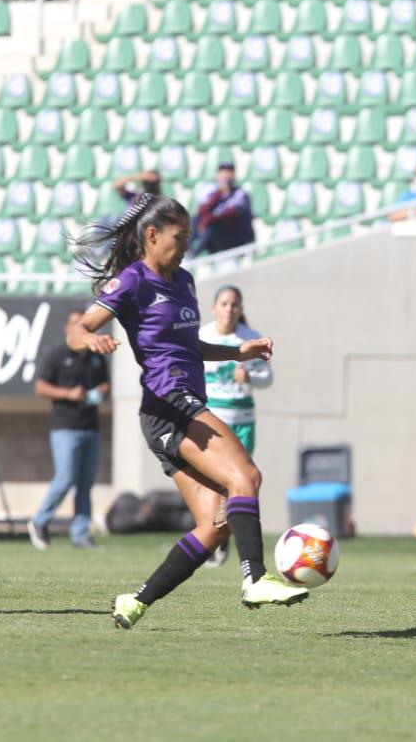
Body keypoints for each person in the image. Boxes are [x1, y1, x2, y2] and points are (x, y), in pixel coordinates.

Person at [69, 193, 309, 629]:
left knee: (215, 525)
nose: (185, 248)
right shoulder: (132, 281)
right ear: (152, 235)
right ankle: (254, 579)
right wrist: (91, 341)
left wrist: (237, 352)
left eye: (189, 239)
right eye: (179, 239)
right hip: (169, 405)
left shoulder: (185, 281)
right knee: (246, 476)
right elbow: (78, 329)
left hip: (174, 410)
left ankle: (134, 602)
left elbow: (188, 345)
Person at [199, 284, 274, 567]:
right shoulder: (202, 336)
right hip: (213, 418)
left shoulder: (251, 337)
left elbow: (267, 378)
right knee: (212, 481)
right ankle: (212, 537)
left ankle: (224, 541)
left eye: (234, 304)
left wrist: (251, 378)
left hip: (242, 419)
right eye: (224, 303)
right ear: (214, 307)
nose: (229, 309)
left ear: (240, 309)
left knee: (239, 481)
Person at [27, 309, 111, 551]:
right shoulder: (56, 355)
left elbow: (105, 384)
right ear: (67, 328)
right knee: (65, 478)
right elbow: (41, 387)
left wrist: (100, 393)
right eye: (75, 324)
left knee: (85, 485)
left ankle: (80, 534)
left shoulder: (96, 356)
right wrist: (68, 394)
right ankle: (39, 521)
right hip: (65, 427)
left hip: (91, 427)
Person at [190, 162, 255, 256]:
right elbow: (201, 211)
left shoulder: (240, 194)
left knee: (213, 225)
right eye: (222, 174)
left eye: (228, 174)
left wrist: (208, 220)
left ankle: (194, 256)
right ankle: (186, 250)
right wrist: (218, 193)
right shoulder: (212, 193)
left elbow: (231, 214)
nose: (225, 177)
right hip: (214, 237)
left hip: (234, 238)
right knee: (195, 219)